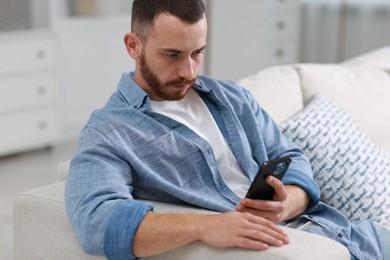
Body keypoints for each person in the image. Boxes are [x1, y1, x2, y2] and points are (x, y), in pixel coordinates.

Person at [65, 0, 389, 259]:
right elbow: (96, 220)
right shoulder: (109, 131)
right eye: (172, 55)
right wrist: (204, 227)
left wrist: (286, 202)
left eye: (197, 53)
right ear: (133, 45)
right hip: (292, 249)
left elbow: (291, 155)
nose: (188, 70)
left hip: (346, 231)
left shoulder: (231, 97)